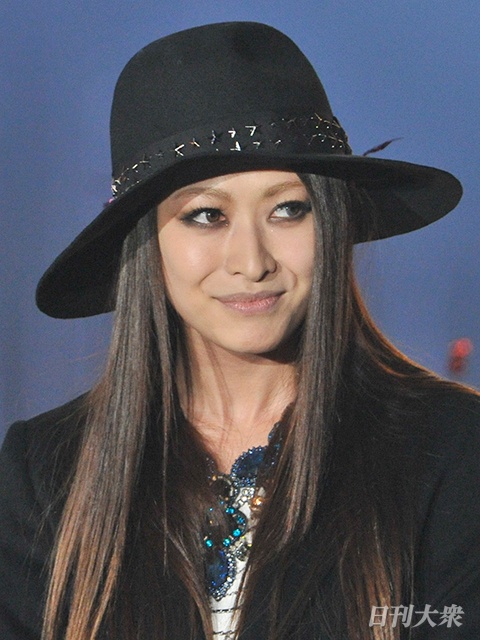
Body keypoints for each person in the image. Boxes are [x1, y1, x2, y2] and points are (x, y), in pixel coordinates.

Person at [0, 21, 478, 640]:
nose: (251, 262)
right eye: (206, 215)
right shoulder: (44, 474)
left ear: (331, 224)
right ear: (148, 245)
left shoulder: (452, 449)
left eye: (288, 209)